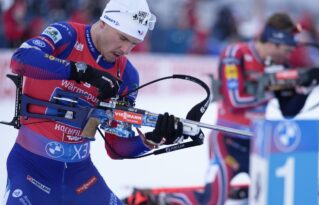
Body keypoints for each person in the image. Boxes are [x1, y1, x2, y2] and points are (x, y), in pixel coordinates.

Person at [127, 12, 319, 205]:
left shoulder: (279, 66)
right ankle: (156, 201)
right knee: (213, 200)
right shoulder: (236, 53)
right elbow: (235, 99)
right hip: (227, 140)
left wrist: (306, 86)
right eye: (287, 49)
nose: (289, 54)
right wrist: (273, 83)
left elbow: (288, 110)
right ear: (276, 42)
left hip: (258, 143)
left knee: (273, 196)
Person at [4, 0, 184, 204]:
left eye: (133, 43)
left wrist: (151, 139)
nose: (125, 49)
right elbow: (21, 59)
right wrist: (82, 71)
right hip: (32, 169)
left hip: (81, 178)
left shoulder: (127, 75)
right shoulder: (67, 34)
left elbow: (115, 148)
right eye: (123, 38)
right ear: (104, 23)